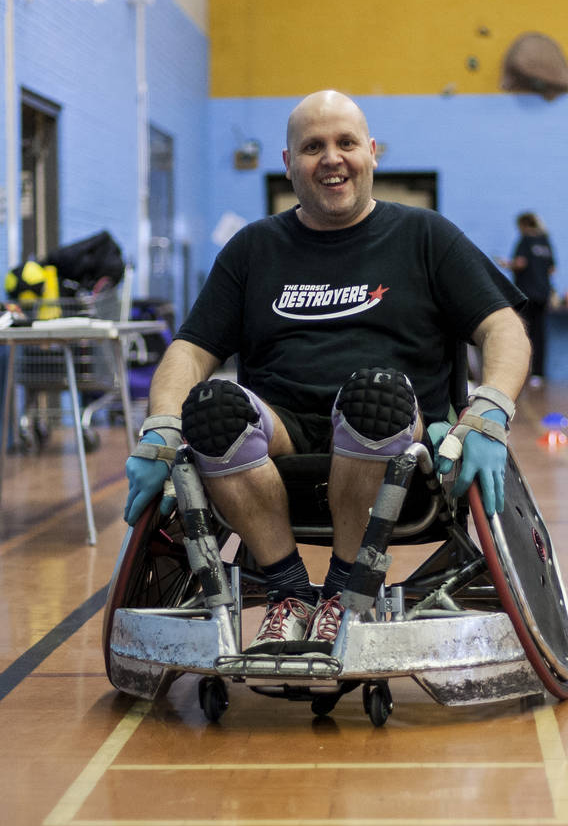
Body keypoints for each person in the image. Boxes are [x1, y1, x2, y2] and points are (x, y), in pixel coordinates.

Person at [123, 90, 530, 655]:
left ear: (372, 153)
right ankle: (288, 591)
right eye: (313, 147)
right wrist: (162, 428)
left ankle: (343, 591)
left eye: (346, 143)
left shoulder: (426, 236)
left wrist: (490, 410)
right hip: (282, 438)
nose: (332, 158)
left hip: (396, 441)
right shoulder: (252, 250)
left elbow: (503, 328)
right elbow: (190, 350)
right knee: (212, 407)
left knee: (373, 399)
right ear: (289, 164)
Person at [502, 212, 556, 387]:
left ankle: (521, 373)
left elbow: (520, 263)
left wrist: (506, 264)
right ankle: (538, 374)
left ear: (523, 225)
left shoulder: (525, 240)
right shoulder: (546, 241)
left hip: (525, 295)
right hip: (543, 294)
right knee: (540, 335)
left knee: (523, 334)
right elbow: (552, 269)